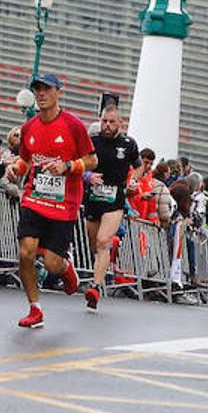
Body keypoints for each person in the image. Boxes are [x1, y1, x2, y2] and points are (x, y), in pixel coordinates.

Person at [4, 73, 95, 329]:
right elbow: (25, 160)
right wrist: (15, 169)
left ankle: (66, 268)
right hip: (34, 200)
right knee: (26, 253)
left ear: (58, 92)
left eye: (46, 89)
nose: (41, 94)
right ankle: (35, 309)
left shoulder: (73, 126)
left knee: (52, 264)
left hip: (64, 205)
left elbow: (92, 160)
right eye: (38, 90)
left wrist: (68, 166)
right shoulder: (29, 127)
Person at [83, 104, 137, 311]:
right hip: (93, 199)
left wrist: (134, 181)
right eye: (104, 121)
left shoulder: (128, 144)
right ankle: (100, 268)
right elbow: (78, 164)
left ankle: (96, 287)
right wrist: (88, 176)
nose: (106, 125)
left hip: (115, 200)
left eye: (111, 121)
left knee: (104, 241)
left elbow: (138, 165)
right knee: (94, 246)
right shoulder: (92, 142)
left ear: (120, 123)